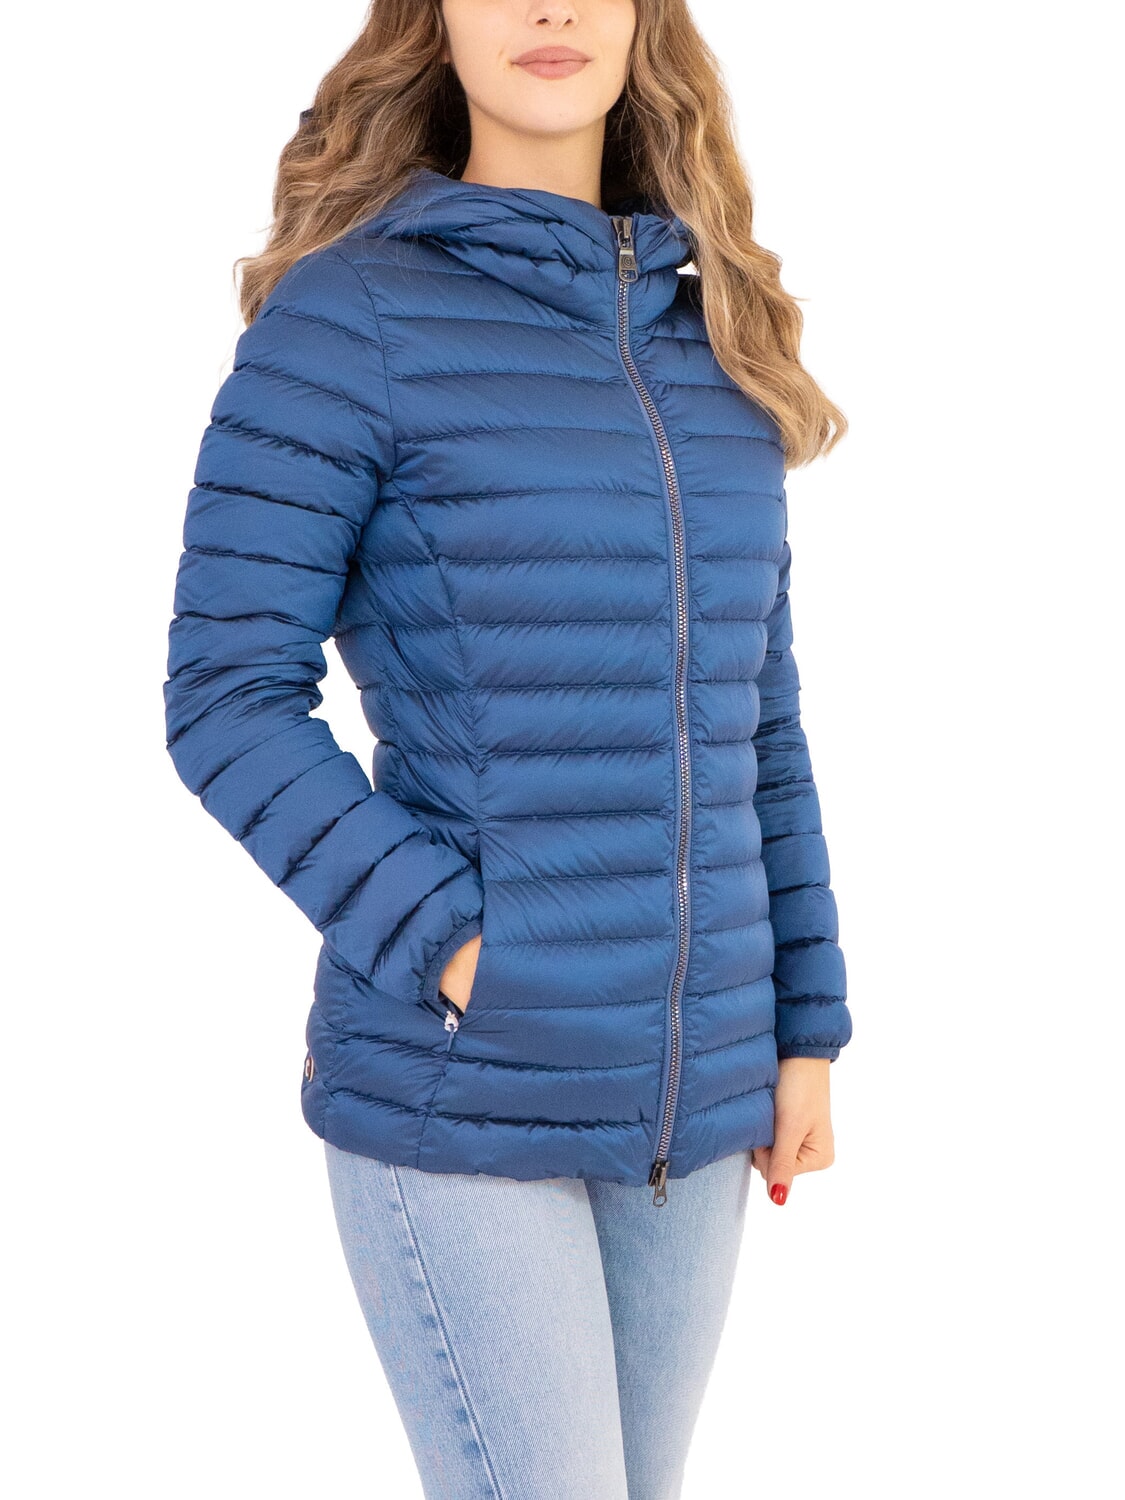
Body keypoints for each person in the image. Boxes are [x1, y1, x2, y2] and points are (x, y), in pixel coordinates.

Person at [163, 2, 854, 1494]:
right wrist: (464, 948)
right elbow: (226, 694)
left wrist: (804, 1024)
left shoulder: (715, 336)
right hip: (463, 1084)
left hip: (696, 1095)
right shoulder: (348, 320)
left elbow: (758, 717)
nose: (549, 7)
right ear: (433, 22)